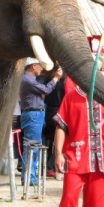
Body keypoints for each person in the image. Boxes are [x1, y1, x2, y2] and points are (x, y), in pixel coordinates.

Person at [19, 57, 63, 187]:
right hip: (33, 115)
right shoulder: (28, 80)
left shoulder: (27, 79)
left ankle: (28, 177)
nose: (41, 69)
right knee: (32, 147)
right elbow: (46, 90)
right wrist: (55, 78)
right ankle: (30, 177)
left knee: (31, 147)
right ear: (34, 66)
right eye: (40, 66)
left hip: (33, 114)